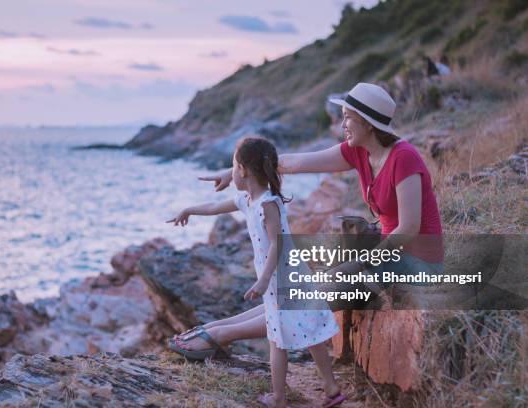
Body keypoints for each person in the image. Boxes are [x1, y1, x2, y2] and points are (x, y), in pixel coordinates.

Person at [170, 81, 444, 379]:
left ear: (366, 123)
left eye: (347, 117)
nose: (342, 124)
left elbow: (409, 227)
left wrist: (362, 263)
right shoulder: (359, 152)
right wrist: (236, 171)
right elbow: (292, 162)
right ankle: (214, 328)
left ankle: (220, 336)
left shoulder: (404, 158)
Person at [167, 137, 345, 408]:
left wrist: (263, 282)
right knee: (311, 332)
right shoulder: (247, 200)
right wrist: (189, 210)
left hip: (282, 278)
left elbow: (277, 243)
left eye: (233, 165)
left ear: (244, 170)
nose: (230, 171)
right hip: (280, 277)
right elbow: (215, 207)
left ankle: (278, 398)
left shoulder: (267, 204)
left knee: (278, 340)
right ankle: (332, 389)